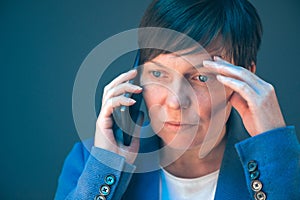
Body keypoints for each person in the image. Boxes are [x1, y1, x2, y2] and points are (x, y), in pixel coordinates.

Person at [55, 0, 300, 199]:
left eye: (202, 77)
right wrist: (106, 167)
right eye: (158, 73)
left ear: (246, 77)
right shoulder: (90, 162)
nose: (174, 102)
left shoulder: (285, 170)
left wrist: (274, 148)